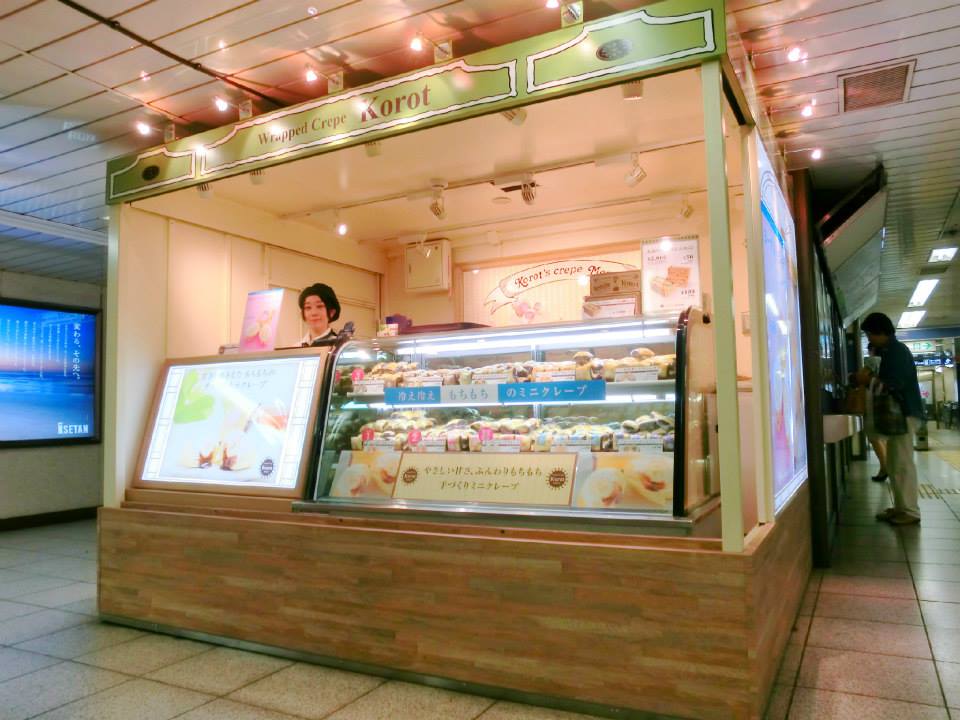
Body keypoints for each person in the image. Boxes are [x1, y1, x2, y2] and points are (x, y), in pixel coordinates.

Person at [860, 312, 924, 525]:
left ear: (881, 332)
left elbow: (893, 385)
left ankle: (910, 511)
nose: (869, 338)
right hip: (901, 414)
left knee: (902, 464)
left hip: (904, 413)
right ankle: (900, 507)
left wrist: (867, 380)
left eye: (870, 334)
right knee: (896, 464)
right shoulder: (889, 351)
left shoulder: (896, 352)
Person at [863, 343, 888, 482]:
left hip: (874, 402)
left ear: (872, 350)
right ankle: (886, 465)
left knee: (873, 436)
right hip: (885, 402)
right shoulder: (887, 360)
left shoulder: (873, 360)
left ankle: (884, 467)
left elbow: (861, 377)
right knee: (883, 437)